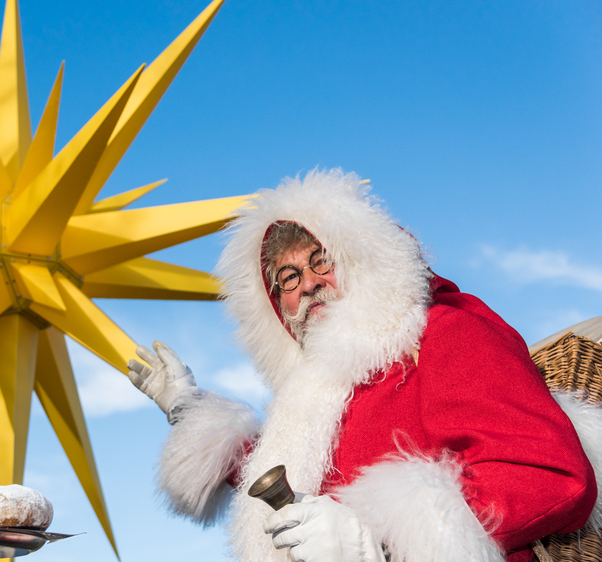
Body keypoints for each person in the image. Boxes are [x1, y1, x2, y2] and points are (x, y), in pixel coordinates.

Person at [128, 169, 602, 562]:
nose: (309, 283)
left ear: (362, 260)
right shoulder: (315, 394)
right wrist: (188, 408)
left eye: (322, 260)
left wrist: (377, 541)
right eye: (288, 278)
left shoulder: (441, 334)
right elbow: (274, 474)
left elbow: (551, 477)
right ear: (277, 307)